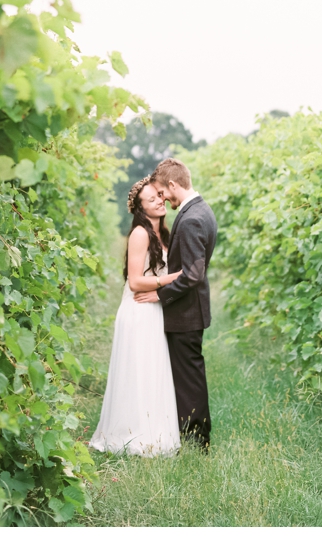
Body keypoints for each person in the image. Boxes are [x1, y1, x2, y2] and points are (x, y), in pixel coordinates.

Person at [88, 177, 184, 457]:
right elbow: (134, 282)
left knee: (153, 370)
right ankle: (134, 437)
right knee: (139, 371)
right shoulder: (141, 234)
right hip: (139, 310)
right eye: (151, 198)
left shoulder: (163, 234)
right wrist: (175, 278)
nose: (158, 199)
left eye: (159, 195)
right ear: (141, 209)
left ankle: (156, 434)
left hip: (153, 308)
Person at [135, 157, 217, 450]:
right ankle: (192, 437)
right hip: (190, 310)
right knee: (188, 377)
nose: (163, 198)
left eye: (162, 192)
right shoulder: (200, 210)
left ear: (172, 184)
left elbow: (193, 275)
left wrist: (159, 295)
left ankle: (197, 441)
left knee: (189, 380)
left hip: (186, 312)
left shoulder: (193, 218)